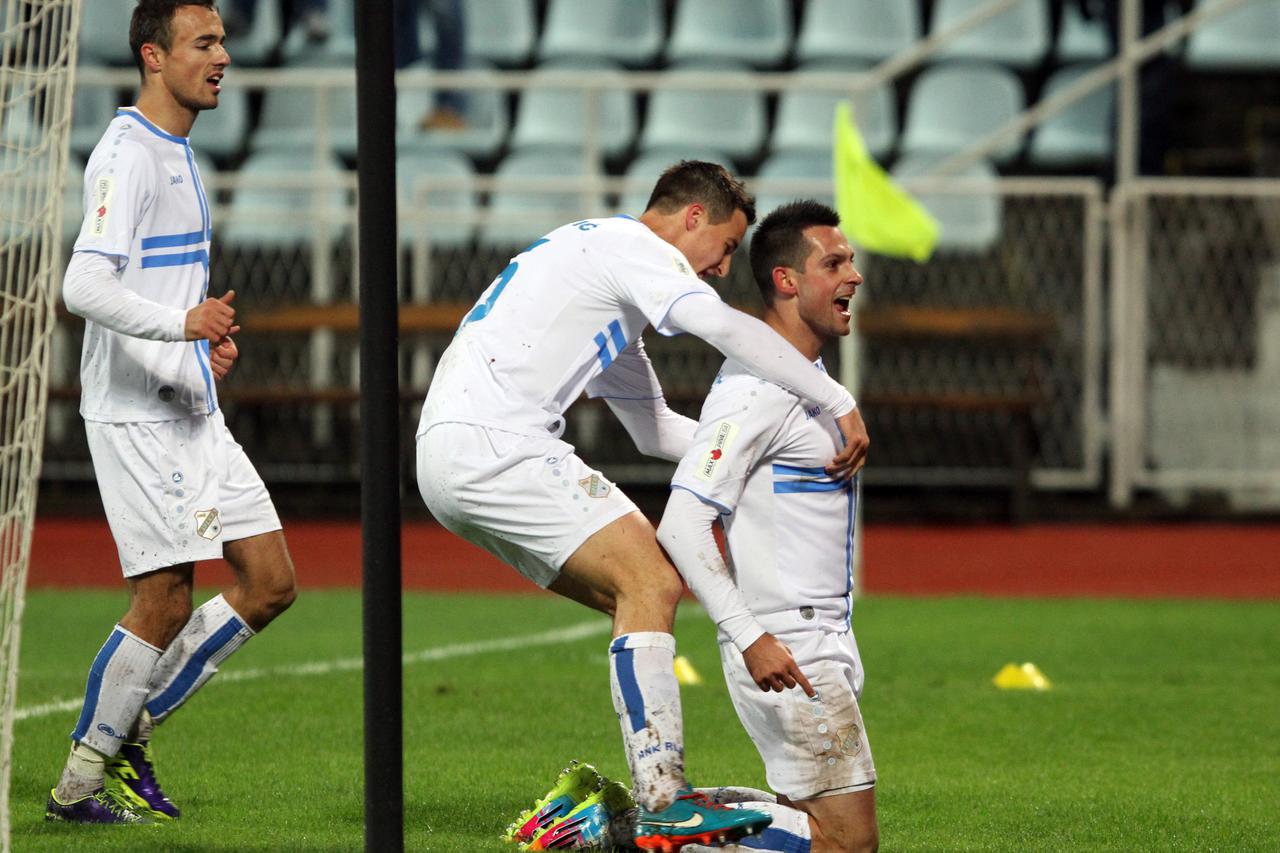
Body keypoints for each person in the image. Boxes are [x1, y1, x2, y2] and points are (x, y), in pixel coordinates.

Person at [416, 163, 870, 850]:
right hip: (497, 443)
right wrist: (836, 400)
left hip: (452, 452)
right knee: (653, 579)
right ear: (691, 217)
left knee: (636, 601)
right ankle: (662, 803)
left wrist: (759, 451)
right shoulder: (634, 252)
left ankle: (602, 822)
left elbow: (653, 429)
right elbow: (722, 327)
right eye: (722, 247)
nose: (721, 268)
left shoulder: (599, 277)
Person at [47, 0, 297, 825]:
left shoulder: (182, 150)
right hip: (136, 413)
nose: (223, 55)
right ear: (154, 56)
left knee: (270, 582)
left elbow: (160, 289)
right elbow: (82, 286)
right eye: (205, 42)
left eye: (223, 40)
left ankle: (126, 729)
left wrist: (202, 347)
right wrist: (181, 325)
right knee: (164, 598)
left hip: (188, 401)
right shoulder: (127, 155)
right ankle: (83, 781)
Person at [656, 200, 879, 853]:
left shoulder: (804, 375)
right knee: (846, 843)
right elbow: (682, 520)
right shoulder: (758, 389)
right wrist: (750, 634)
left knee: (808, 830)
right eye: (833, 262)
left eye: (852, 260)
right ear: (787, 281)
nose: (853, 275)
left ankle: (680, 818)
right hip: (788, 643)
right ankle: (654, 828)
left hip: (819, 635)